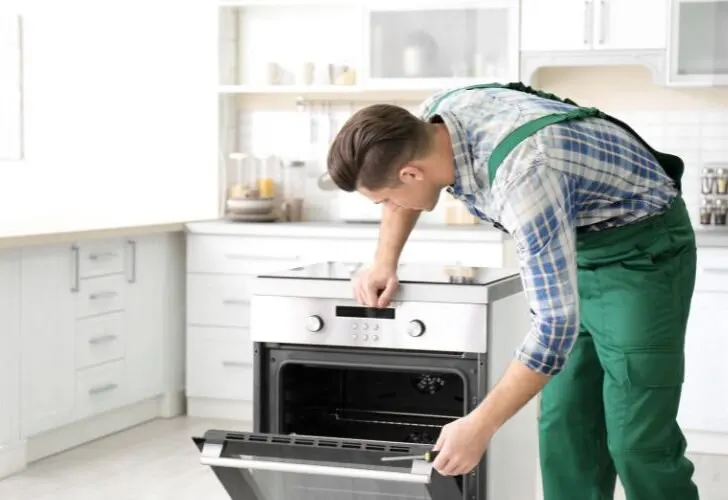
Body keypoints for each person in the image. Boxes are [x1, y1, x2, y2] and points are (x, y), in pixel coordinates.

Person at [326, 82, 700, 500]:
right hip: (575, 240)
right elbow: (402, 190)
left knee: (637, 440)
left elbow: (555, 326)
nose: (386, 206)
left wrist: (479, 426)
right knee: (565, 426)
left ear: (411, 174)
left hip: (642, 254)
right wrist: (384, 261)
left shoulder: (525, 176)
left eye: (381, 200)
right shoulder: (430, 121)